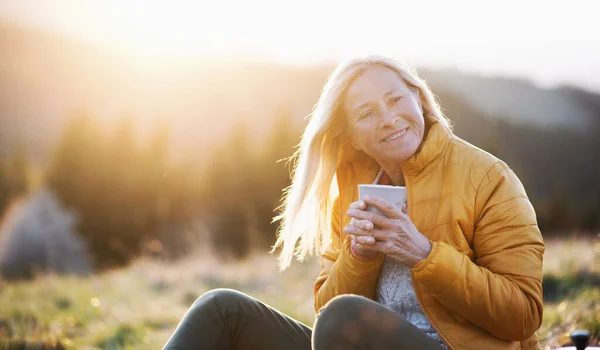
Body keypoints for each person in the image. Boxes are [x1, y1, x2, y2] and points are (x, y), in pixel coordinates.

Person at [163, 55, 545, 350]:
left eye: (396, 99)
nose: (389, 118)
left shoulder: (488, 177)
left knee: (345, 315)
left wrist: (423, 254)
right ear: (353, 137)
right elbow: (326, 316)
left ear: (419, 98)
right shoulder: (352, 187)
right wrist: (358, 256)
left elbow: (523, 315)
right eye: (367, 113)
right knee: (222, 308)